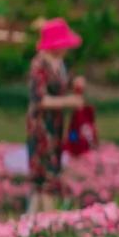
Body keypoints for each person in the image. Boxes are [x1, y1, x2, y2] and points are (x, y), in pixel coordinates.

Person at [26, 19, 86, 214]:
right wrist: (69, 101)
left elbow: (61, 86)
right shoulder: (39, 65)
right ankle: (49, 221)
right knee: (46, 174)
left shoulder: (58, 63)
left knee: (47, 175)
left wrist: (74, 84)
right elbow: (40, 99)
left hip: (55, 124)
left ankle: (31, 221)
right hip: (42, 126)